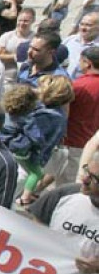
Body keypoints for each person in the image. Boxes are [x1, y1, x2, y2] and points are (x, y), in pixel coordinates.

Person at [26, 155, 99, 274]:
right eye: (87, 171)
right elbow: (33, 227)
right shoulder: (64, 194)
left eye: (94, 179)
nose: (85, 179)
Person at [0, 81, 71, 205]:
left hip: (12, 148)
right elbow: (35, 136)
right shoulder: (46, 114)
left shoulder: (18, 112)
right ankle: (22, 198)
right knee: (31, 175)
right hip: (22, 152)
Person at [58, 47, 99, 186]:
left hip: (72, 141)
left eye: (80, 61)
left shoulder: (77, 86)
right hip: (93, 144)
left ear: (87, 63)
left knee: (67, 185)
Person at [63, 12, 99, 79]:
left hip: (85, 86)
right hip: (64, 84)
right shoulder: (69, 40)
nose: (83, 28)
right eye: (81, 24)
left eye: (89, 25)